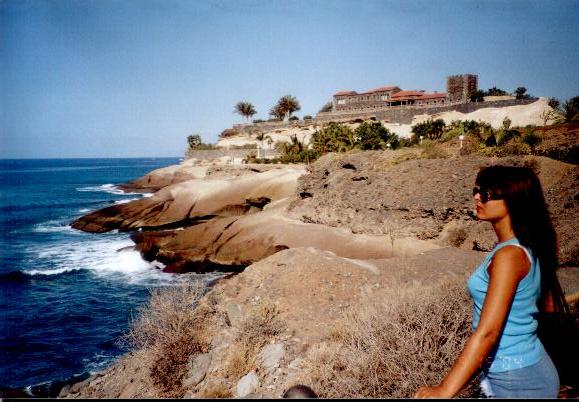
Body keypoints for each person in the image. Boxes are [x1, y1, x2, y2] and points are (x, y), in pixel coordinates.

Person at [414, 165, 566, 398]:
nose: (476, 196)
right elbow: (546, 307)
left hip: (518, 380)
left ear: (512, 200)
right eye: (476, 190)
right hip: (521, 371)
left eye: (486, 193)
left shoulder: (509, 256)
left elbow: (488, 332)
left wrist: (444, 390)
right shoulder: (523, 246)